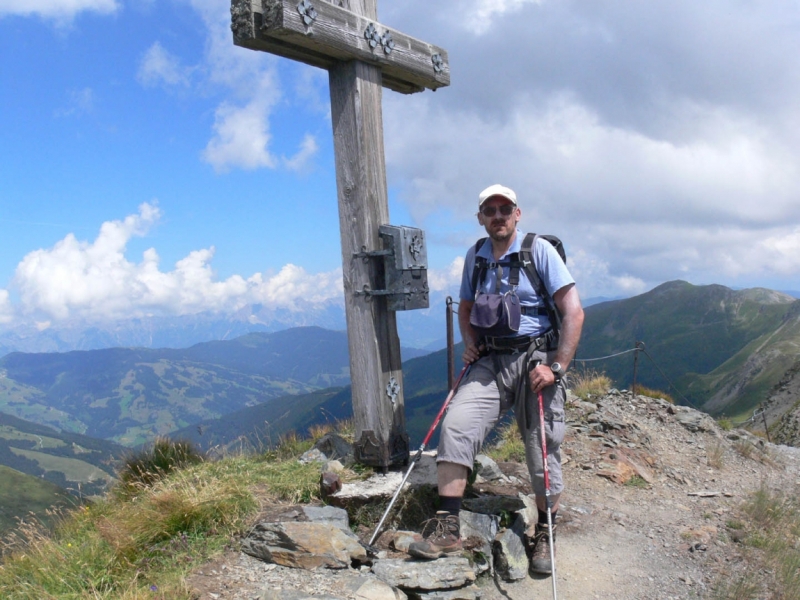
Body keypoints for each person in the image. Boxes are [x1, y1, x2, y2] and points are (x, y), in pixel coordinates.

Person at [407, 184, 584, 576]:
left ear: (517, 214)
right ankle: (447, 526)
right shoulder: (476, 256)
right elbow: (466, 307)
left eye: (506, 209)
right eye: (491, 210)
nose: (499, 216)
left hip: (536, 360)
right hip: (489, 359)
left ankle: (545, 532)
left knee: (541, 447)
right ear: (481, 218)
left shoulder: (540, 251)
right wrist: (470, 342)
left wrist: (556, 367)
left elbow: (573, 312)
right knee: (456, 426)